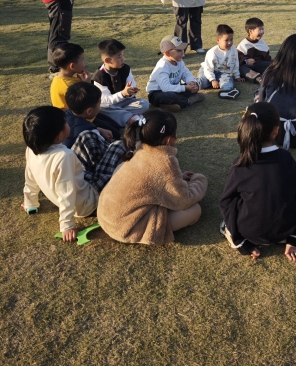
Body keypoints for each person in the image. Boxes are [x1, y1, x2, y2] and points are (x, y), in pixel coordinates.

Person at [97, 109, 207, 246]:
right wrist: (199, 180)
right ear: (168, 139)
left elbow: (155, 180)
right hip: (126, 228)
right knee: (195, 210)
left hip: (106, 217)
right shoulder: (164, 161)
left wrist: (179, 178)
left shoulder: (139, 149)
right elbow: (184, 200)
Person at [219, 103, 296, 262]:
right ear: (276, 130)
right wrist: (294, 238)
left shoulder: (240, 164)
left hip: (250, 233)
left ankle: (236, 238)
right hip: (285, 232)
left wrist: (240, 241)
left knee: (230, 211)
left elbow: (227, 202)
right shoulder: (286, 159)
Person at [22, 106, 98, 242]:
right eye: (66, 122)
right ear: (59, 135)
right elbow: (66, 193)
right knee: (115, 155)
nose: (68, 123)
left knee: (86, 137)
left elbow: (30, 179)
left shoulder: (31, 149)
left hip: (78, 191)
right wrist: (67, 225)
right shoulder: (64, 156)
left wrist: (30, 202)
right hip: (87, 203)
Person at [92, 38, 149, 126]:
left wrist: (131, 92)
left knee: (144, 103)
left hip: (124, 103)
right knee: (101, 109)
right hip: (109, 106)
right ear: (108, 60)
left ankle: (122, 117)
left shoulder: (125, 69)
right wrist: (122, 94)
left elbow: (132, 89)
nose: (123, 59)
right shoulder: (99, 77)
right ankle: (130, 119)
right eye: (119, 56)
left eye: (123, 55)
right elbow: (105, 100)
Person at [146, 35, 205, 111]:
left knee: (195, 86)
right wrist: (185, 88)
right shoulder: (162, 66)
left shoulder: (179, 61)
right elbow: (166, 88)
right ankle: (188, 101)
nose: (182, 52)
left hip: (173, 88)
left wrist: (191, 82)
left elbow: (186, 73)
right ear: (167, 53)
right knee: (170, 96)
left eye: (183, 49)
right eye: (179, 50)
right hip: (157, 93)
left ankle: (171, 104)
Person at [198, 24, 245, 97]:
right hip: (209, 71)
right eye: (226, 40)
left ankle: (226, 92)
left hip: (223, 72)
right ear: (218, 40)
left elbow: (235, 63)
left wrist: (237, 76)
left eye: (231, 39)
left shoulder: (234, 50)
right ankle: (187, 83)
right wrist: (213, 80)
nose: (229, 42)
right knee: (203, 83)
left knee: (227, 80)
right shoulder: (212, 52)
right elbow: (208, 68)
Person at [64, 82, 115, 148]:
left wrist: (99, 129)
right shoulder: (90, 133)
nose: (100, 107)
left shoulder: (63, 115)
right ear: (89, 111)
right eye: (99, 104)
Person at [50, 43, 90, 108]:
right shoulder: (68, 86)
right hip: (73, 117)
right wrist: (87, 85)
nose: (85, 62)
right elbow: (85, 105)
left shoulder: (61, 77)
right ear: (72, 66)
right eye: (82, 59)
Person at [237, 17, 272, 83]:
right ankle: (259, 79)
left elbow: (267, 57)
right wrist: (246, 61)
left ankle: (272, 75)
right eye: (259, 30)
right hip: (248, 67)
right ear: (250, 31)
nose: (262, 32)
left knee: (272, 65)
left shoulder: (262, 43)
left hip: (259, 64)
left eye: (263, 29)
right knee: (241, 68)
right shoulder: (244, 44)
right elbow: (237, 58)